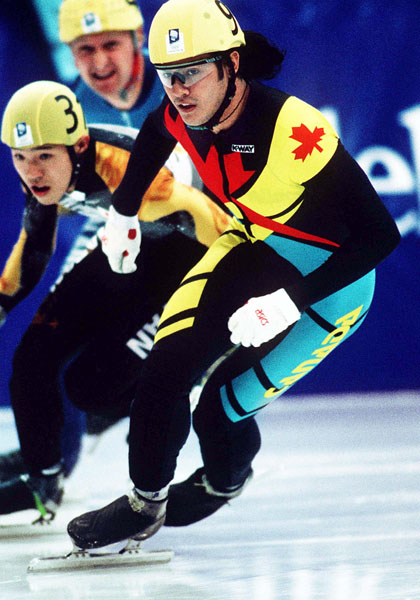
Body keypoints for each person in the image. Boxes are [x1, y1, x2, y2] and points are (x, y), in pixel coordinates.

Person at [67, 0, 400, 550]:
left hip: (330, 286)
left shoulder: (293, 129)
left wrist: (291, 300)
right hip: (252, 243)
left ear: (231, 64)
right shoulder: (184, 106)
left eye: (192, 72)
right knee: (164, 370)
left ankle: (225, 480)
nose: (179, 90)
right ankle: (143, 502)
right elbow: (155, 131)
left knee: (219, 408)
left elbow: (378, 236)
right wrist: (123, 213)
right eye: (167, 76)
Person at [0, 79, 230, 519]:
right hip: (125, 245)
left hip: (185, 258)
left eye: (44, 156)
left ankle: (167, 428)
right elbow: (34, 245)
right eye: (20, 158)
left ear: (79, 146)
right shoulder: (45, 174)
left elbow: (209, 219)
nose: (32, 172)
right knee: (33, 357)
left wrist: (229, 298)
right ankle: (42, 482)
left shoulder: (137, 179)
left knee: (93, 387)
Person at [59, 0, 164, 128]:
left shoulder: (178, 80)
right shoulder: (76, 109)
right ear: (72, 53)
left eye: (111, 44)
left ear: (138, 37)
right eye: (85, 49)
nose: (100, 64)